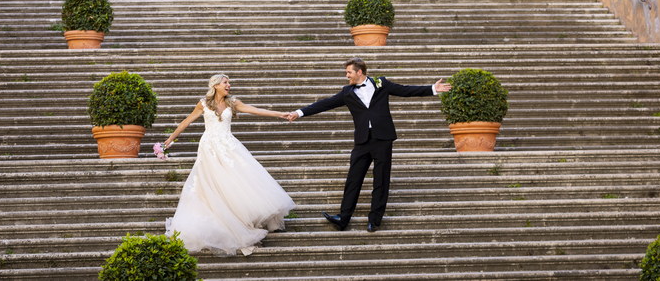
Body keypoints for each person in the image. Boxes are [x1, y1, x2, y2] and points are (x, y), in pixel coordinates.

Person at [285, 57, 451, 232]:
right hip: (362, 141)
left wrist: (433, 88)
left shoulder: (381, 83)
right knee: (353, 179)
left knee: (381, 180)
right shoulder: (347, 92)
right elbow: (325, 103)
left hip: (382, 138)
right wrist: (299, 112)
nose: (346, 76)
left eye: (348, 72)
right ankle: (343, 218)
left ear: (359, 72)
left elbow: (405, 90)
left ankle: (374, 220)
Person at [162, 73, 295, 256]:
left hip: (228, 146)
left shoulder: (233, 103)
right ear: (215, 85)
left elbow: (254, 109)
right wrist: (169, 140)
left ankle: (240, 218)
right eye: (225, 82)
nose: (229, 85)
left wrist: (279, 114)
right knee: (212, 183)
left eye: (229, 82)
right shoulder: (203, 103)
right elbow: (187, 121)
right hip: (209, 148)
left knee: (235, 181)